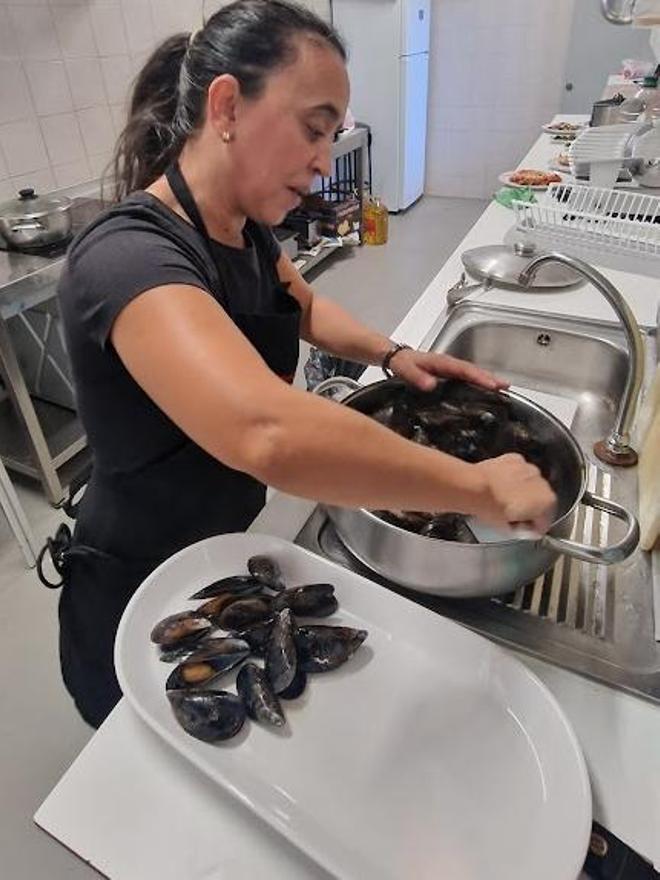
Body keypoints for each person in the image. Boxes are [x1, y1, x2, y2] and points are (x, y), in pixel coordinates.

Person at [47, 0, 556, 728]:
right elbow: (267, 433)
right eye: (313, 129)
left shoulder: (243, 230)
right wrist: (478, 488)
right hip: (137, 584)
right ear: (226, 105)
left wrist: (395, 354)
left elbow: (305, 308)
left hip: (220, 554)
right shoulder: (129, 257)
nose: (324, 160)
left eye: (332, 135)